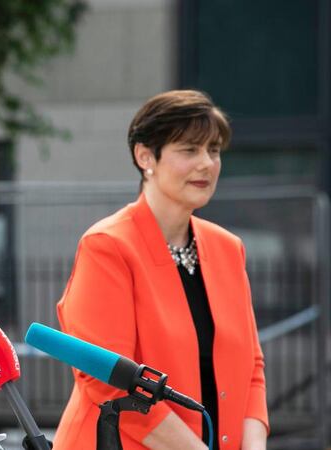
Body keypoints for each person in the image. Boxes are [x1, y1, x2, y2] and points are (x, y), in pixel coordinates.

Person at [53, 90, 268, 449]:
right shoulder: (107, 246)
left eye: (213, 150)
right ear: (144, 156)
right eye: (189, 150)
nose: (207, 163)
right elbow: (107, 380)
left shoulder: (228, 248)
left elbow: (252, 372)